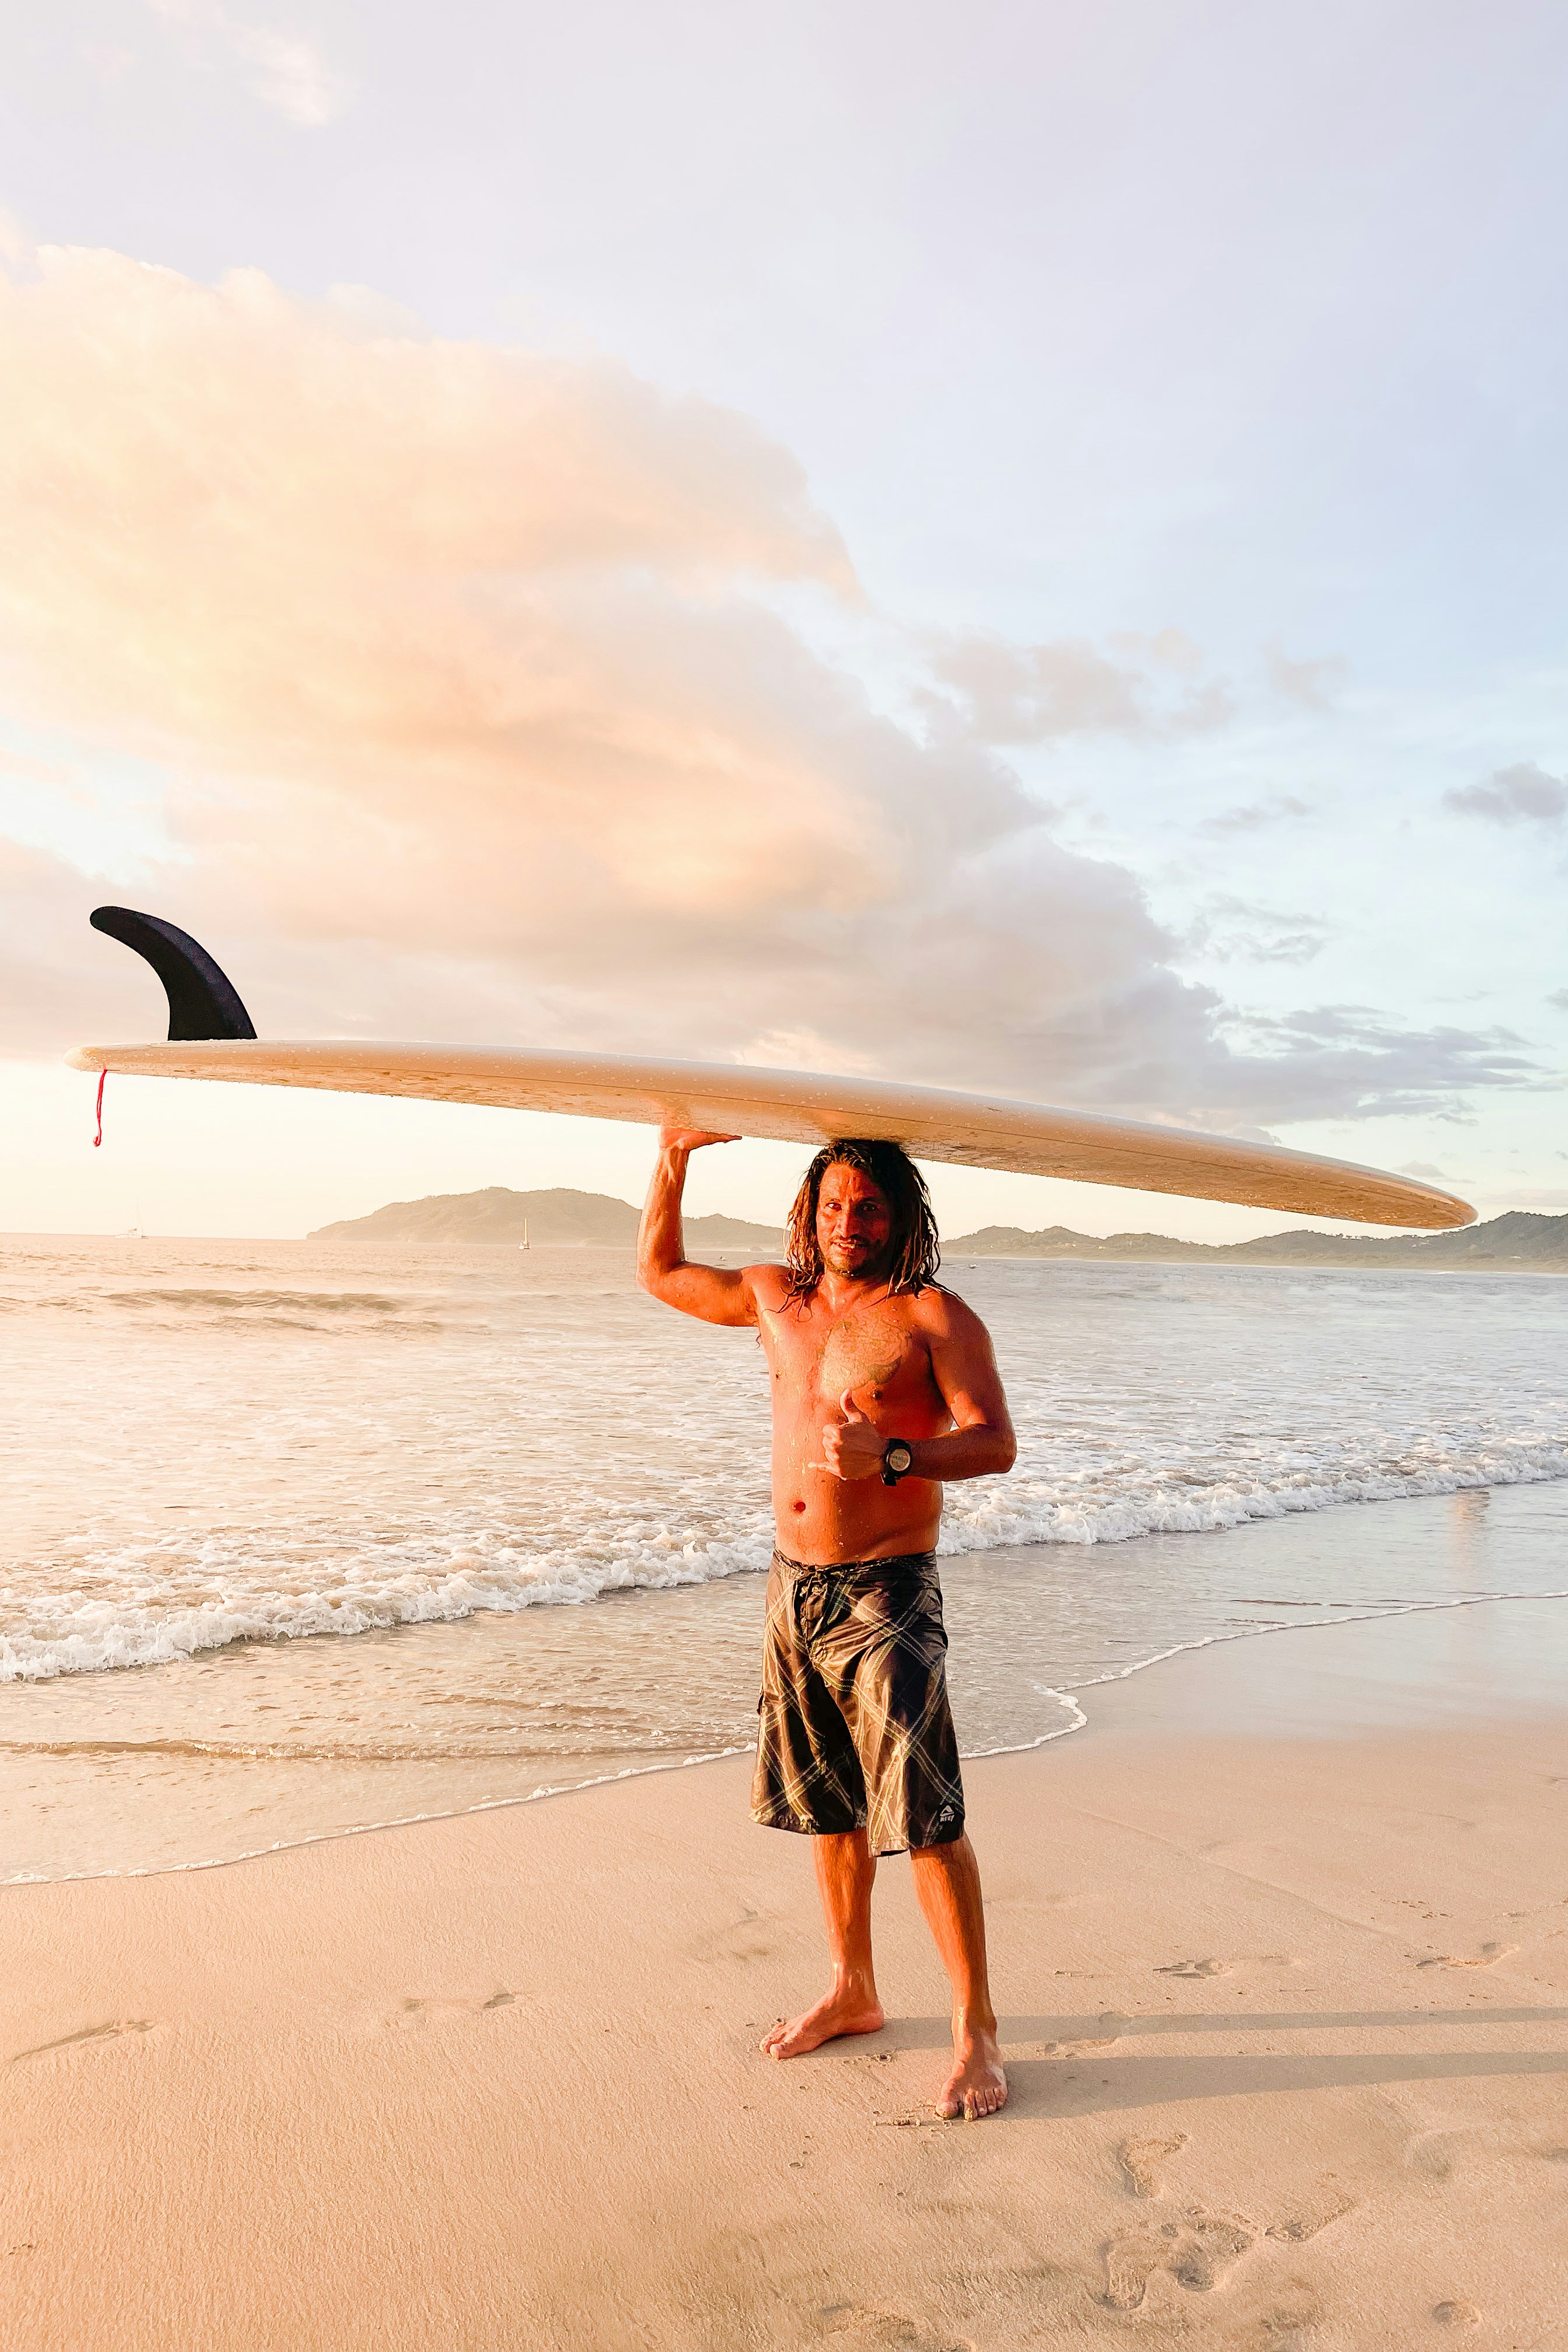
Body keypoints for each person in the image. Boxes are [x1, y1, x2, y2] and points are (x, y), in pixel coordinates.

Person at [638, 1128, 1018, 2120]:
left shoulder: (934, 1317)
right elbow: (662, 1272)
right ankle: (854, 1989)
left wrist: (895, 1458)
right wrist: (675, 1151)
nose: (853, 1225)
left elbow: (994, 1443)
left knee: (926, 1818)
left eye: (874, 1208)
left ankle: (975, 2028)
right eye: (837, 1205)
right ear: (809, 1208)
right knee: (829, 1805)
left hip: (887, 1590)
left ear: (905, 1218)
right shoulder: (775, 1298)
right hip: (793, 1588)